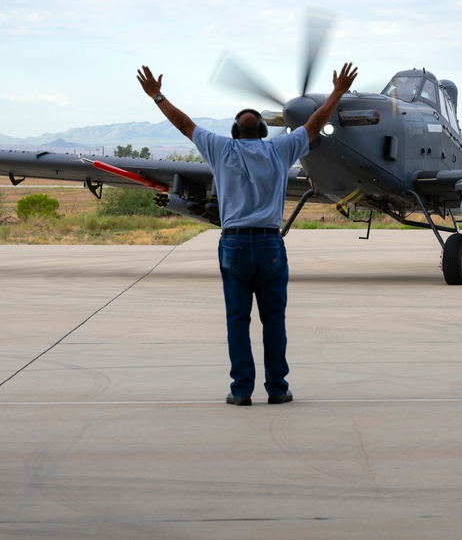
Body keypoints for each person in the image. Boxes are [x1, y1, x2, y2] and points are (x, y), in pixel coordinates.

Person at [137, 62, 359, 406]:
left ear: (234, 132)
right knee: (274, 322)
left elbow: (184, 125)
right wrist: (338, 92)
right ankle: (278, 389)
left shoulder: (219, 149)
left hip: (234, 245)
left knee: (238, 321)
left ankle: (241, 391)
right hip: (270, 243)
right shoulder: (280, 149)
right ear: (264, 133)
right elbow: (313, 126)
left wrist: (158, 96)